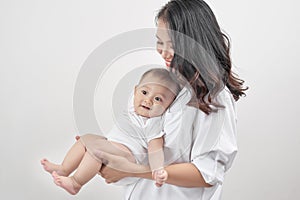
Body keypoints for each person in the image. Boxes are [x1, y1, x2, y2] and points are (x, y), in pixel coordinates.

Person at [96, 0, 248, 199]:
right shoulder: (167, 86)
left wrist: (131, 170)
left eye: (173, 44)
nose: (163, 52)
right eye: (160, 42)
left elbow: (207, 173)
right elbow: (145, 146)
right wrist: (110, 155)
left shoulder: (214, 97)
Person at [41, 68, 181, 195]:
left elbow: (155, 148)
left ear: (168, 105)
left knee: (96, 151)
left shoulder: (153, 122)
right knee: (86, 138)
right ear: (135, 91)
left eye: (158, 99)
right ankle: (64, 169)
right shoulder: (134, 107)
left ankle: (76, 183)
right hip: (112, 145)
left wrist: (157, 170)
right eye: (144, 92)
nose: (148, 100)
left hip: (128, 159)